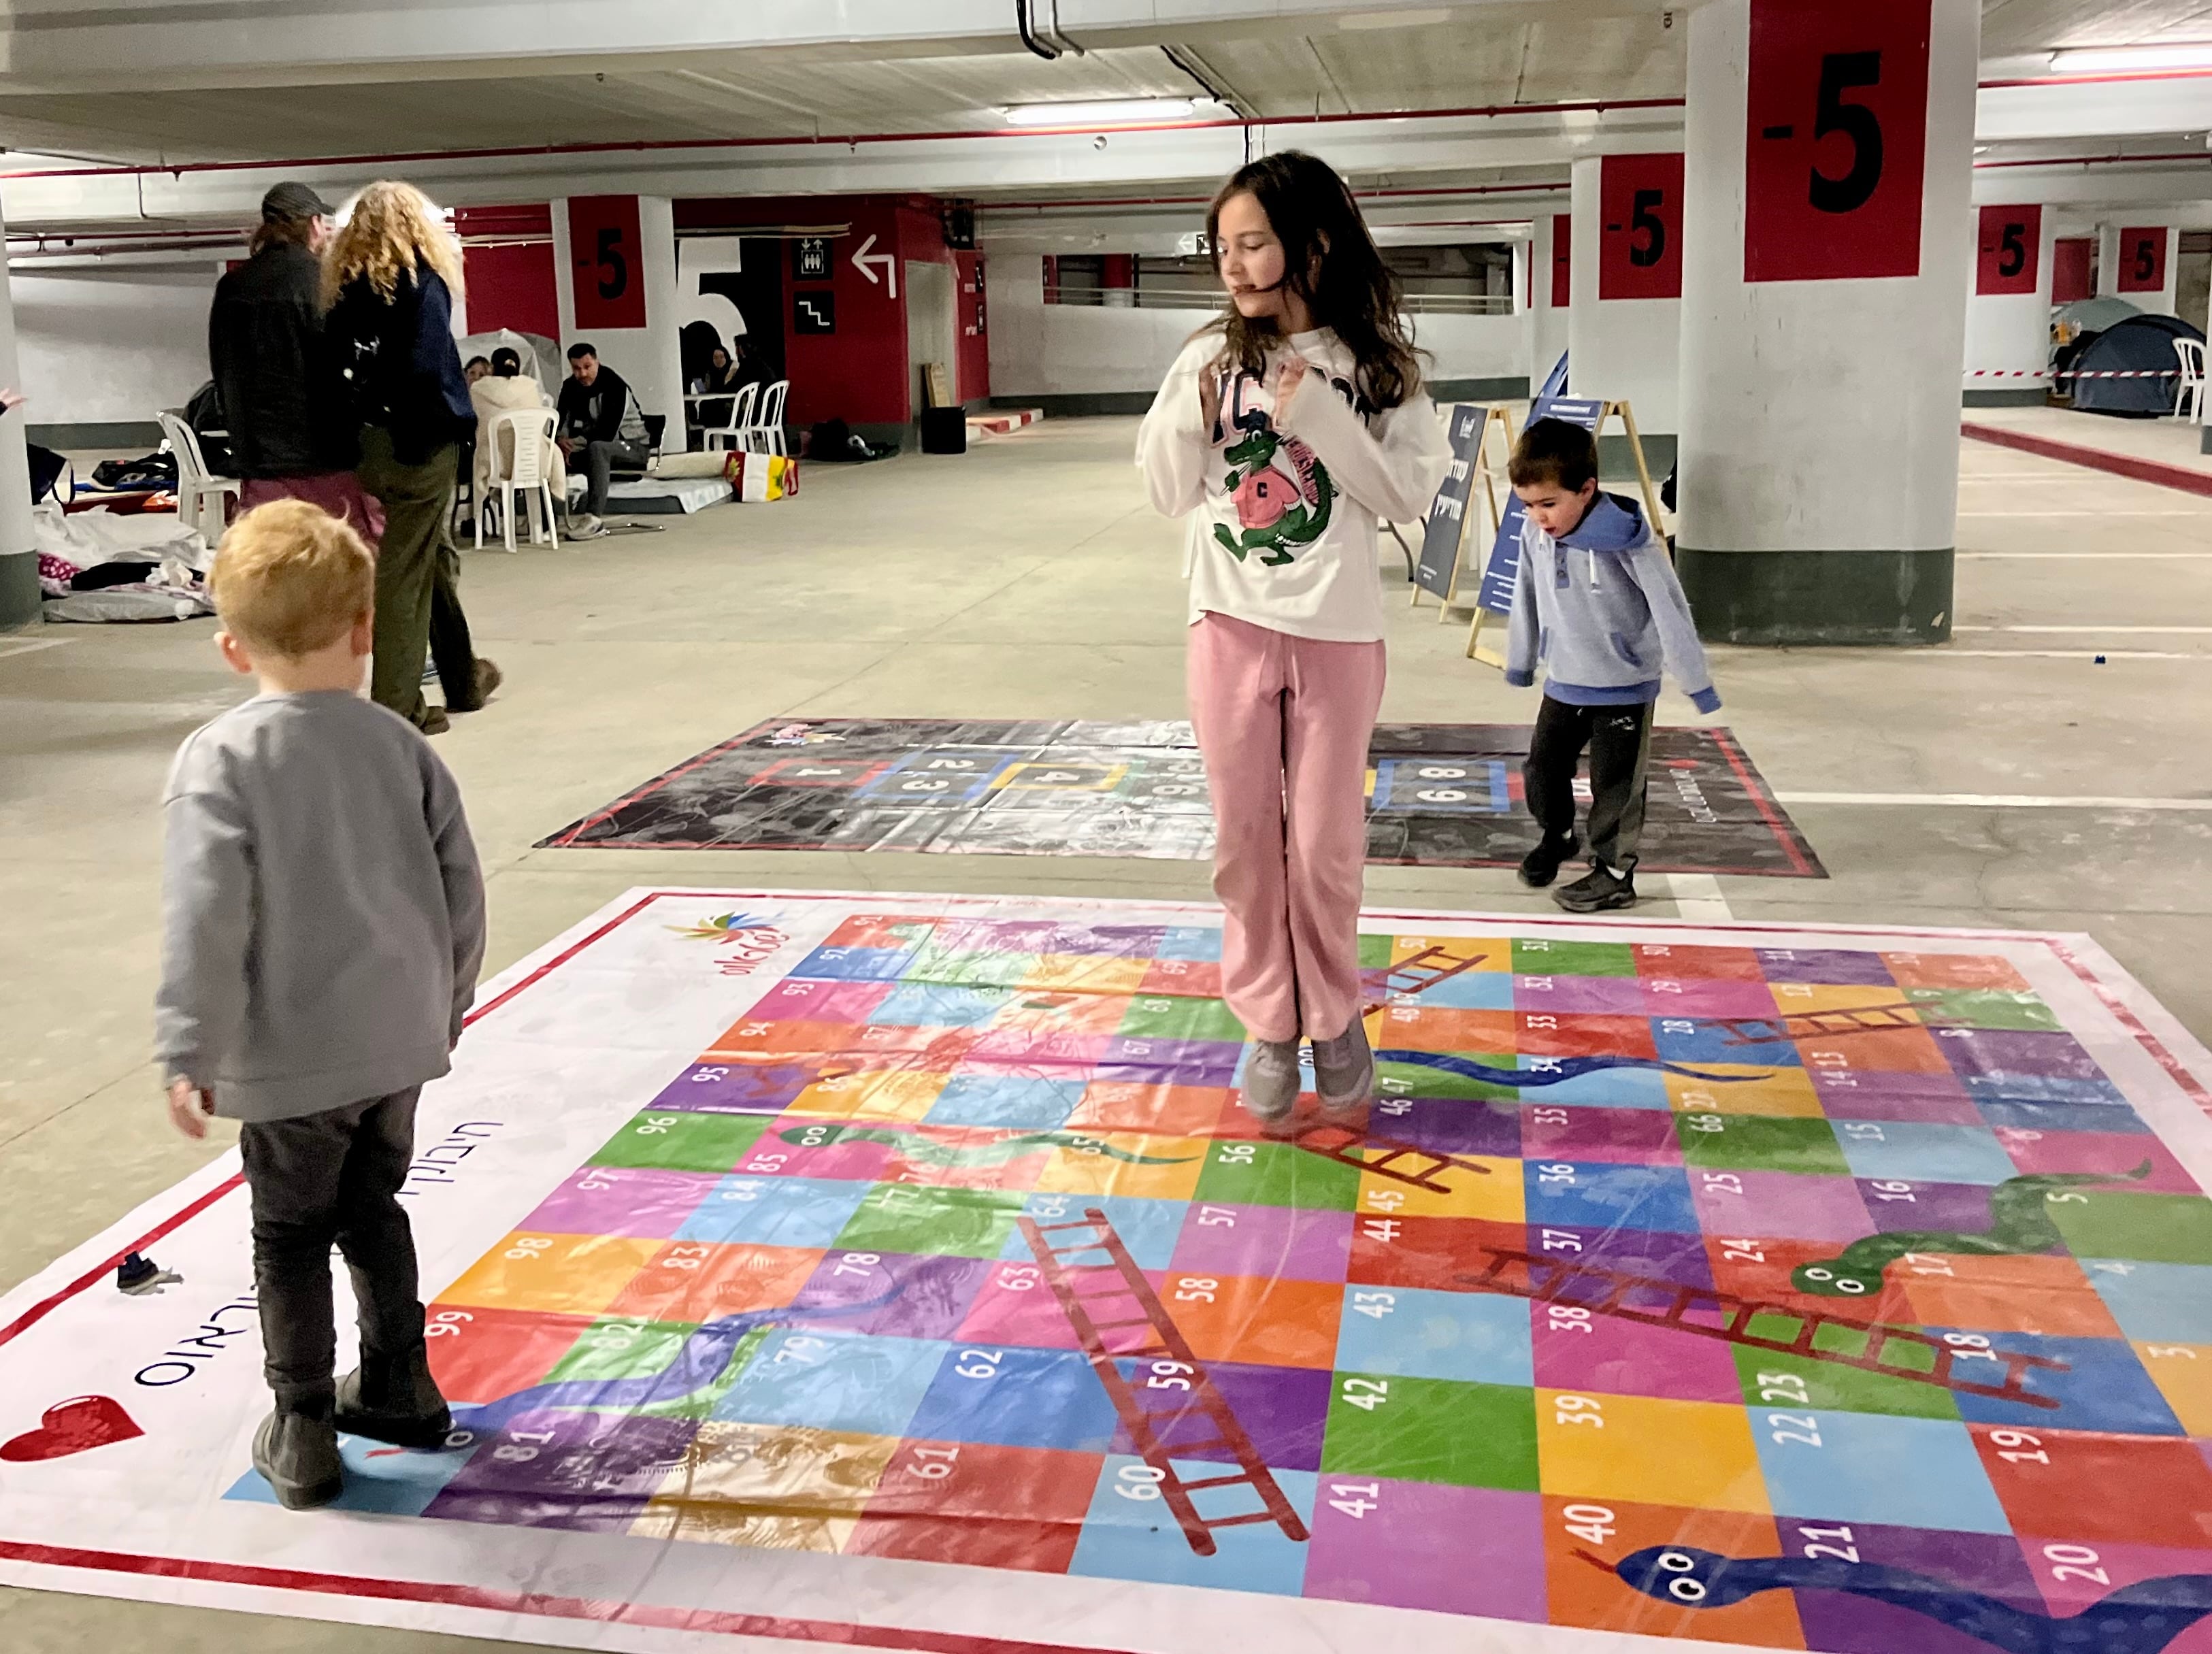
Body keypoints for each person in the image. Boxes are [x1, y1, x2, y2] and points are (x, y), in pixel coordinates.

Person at [155, 499, 485, 1511]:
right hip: (398, 1044)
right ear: (364, 630)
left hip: (291, 1061)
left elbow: (206, 916)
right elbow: (461, 886)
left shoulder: (218, 761)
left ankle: (301, 1422)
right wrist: (448, 1002)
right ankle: (401, 1379)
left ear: (229, 644)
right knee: (372, 1206)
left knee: (289, 1232)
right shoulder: (401, 746)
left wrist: (188, 1045)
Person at [1136, 150, 1449, 1133]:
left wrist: (1320, 413)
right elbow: (1162, 491)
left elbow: (1404, 495)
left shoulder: (1379, 367)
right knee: (1242, 843)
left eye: (1252, 243)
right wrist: (1190, 420)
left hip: (1336, 631)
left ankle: (1334, 1017)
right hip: (1227, 621)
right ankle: (1270, 1021)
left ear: (1310, 243)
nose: (1231, 265)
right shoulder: (1204, 358)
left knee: (1320, 847)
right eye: (1221, 247)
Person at [1502, 416, 1719, 914]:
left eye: (1548, 504)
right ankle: (1557, 835)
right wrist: (1522, 659)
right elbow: (1526, 594)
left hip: (1625, 684)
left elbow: (1669, 608)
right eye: (1528, 505)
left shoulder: (1630, 541)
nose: (1538, 516)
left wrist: (1695, 681)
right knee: (1541, 770)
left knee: (1615, 787)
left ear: (1587, 489)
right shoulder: (1535, 534)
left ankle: (1615, 874)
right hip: (1565, 679)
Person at [323, 180, 500, 734]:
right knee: (404, 572)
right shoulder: (423, 284)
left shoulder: (346, 292)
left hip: (372, 445)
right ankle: (399, 704)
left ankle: (463, 679)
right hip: (420, 444)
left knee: (428, 555)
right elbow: (425, 366)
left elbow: (337, 370)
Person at [208, 182, 381, 538]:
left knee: (272, 560)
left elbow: (221, 367)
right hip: (324, 452)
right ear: (314, 224)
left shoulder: (232, 287)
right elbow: (342, 364)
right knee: (340, 556)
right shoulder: (323, 281)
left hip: (259, 456)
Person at [556, 342, 648, 537]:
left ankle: (593, 519)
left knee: (599, 448)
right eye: (576, 369)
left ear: (597, 362)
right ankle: (544, 519)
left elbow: (608, 432)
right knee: (550, 452)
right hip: (589, 447)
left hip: (632, 446)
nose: (582, 374)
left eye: (587, 367)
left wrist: (574, 443)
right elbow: (561, 419)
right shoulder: (570, 386)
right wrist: (560, 440)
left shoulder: (615, 385)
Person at [469, 345, 565, 521]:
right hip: (534, 460)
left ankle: (480, 521)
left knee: (480, 455)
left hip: (497, 464)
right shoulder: (530, 387)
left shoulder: (478, 389)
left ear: (492, 368)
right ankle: (540, 523)